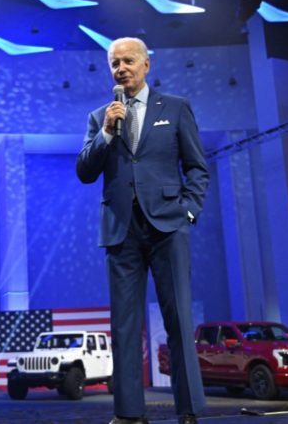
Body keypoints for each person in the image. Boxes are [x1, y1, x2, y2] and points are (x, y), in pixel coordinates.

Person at [76, 37, 209, 424]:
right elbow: (85, 172)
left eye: (128, 61)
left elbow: (197, 167)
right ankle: (130, 412)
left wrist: (188, 212)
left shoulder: (177, 108)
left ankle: (189, 408)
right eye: (114, 63)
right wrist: (106, 134)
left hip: (168, 226)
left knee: (179, 321)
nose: (121, 68)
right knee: (124, 326)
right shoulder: (100, 116)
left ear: (147, 64)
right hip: (121, 232)